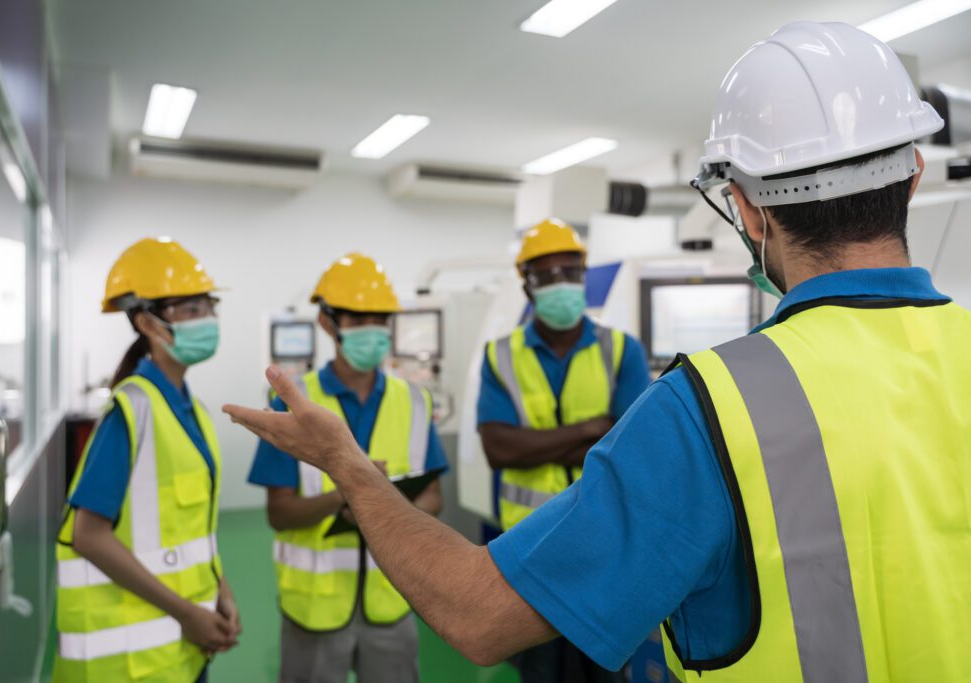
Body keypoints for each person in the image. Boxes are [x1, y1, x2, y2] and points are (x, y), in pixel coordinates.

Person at [225, 21, 970, 683]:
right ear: (915, 172)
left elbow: (478, 614)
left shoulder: (709, 409)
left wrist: (346, 463)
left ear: (745, 207)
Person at [247, 253, 449, 683]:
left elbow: (433, 496)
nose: (372, 330)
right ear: (327, 322)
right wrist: (349, 493)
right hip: (314, 607)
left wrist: (383, 505)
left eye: (380, 318)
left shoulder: (414, 401)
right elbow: (279, 513)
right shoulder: (293, 403)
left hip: (394, 596)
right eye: (358, 318)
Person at [54, 238, 240, 683]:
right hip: (131, 664)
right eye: (189, 310)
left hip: (180, 652)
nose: (206, 320)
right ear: (147, 323)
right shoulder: (131, 410)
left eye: (207, 307)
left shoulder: (189, 408)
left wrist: (220, 592)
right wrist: (186, 615)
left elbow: (191, 528)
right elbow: (89, 536)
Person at [477, 218, 650, 681]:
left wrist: (540, 442)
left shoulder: (621, 350)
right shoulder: (501, 356)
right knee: (540, 670)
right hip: (528, 548)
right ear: (526, 284)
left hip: (605, 542)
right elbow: (499, 449)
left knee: (605, 667)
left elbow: (631, 446)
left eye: (571, 272)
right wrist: (593, 428)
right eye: (547, 275)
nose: (562, 285)